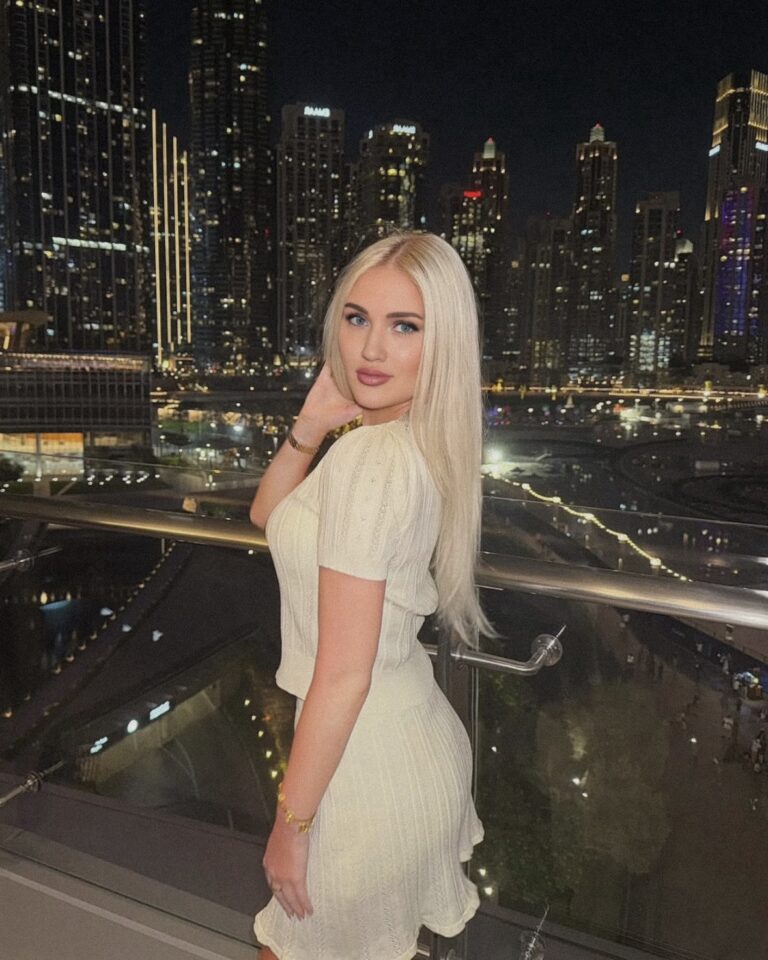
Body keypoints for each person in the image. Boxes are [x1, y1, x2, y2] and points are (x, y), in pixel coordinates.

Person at [248, 232, 499, 960]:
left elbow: (342, 674)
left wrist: (291, 827)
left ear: (442, 343)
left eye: (405, 326)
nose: (371, 348)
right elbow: (268, 516)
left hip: (360, 772)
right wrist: (310, 426)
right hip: (398, 740)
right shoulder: (403, 441)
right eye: (357, 318)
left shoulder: (372, 461)